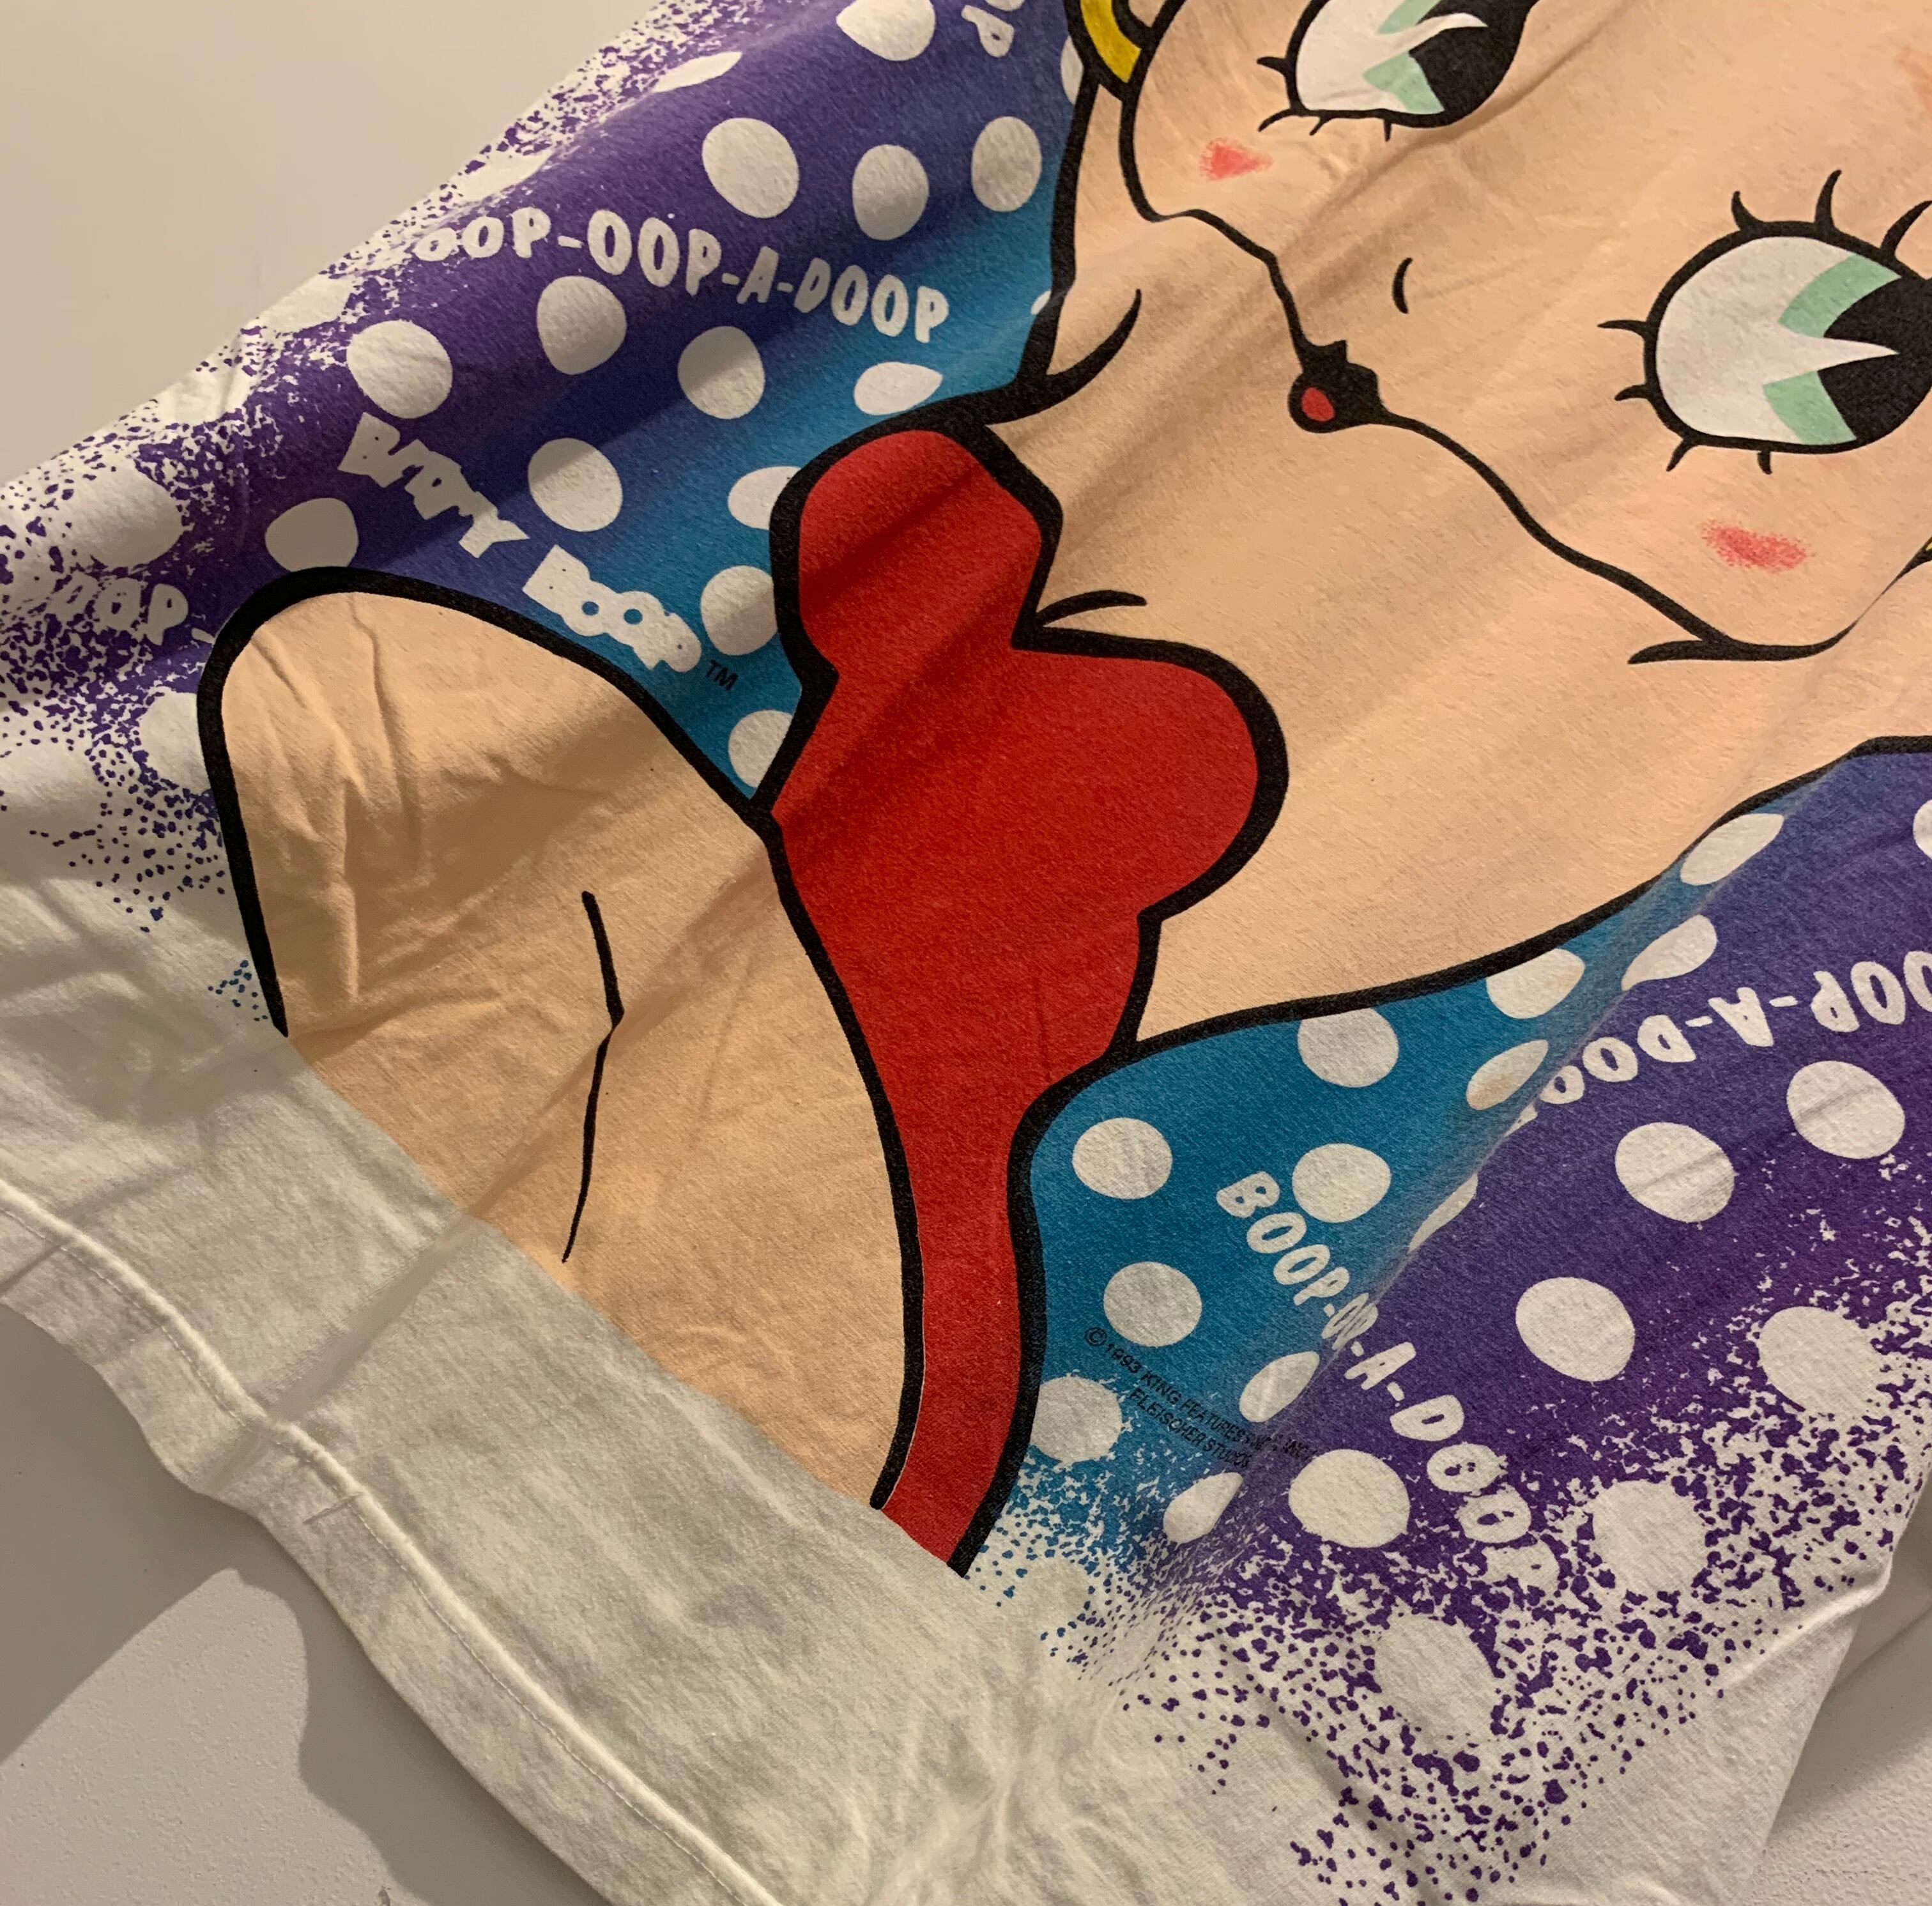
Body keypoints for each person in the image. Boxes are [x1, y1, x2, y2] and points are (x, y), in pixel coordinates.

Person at [211, 0, 1932, 1576]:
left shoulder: (1634, 659)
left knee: (360, 729)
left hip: (833, 1325)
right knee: (342, 689)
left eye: (1828, 355)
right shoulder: (1155, 330)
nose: (1418, 309)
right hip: (670, 1159)